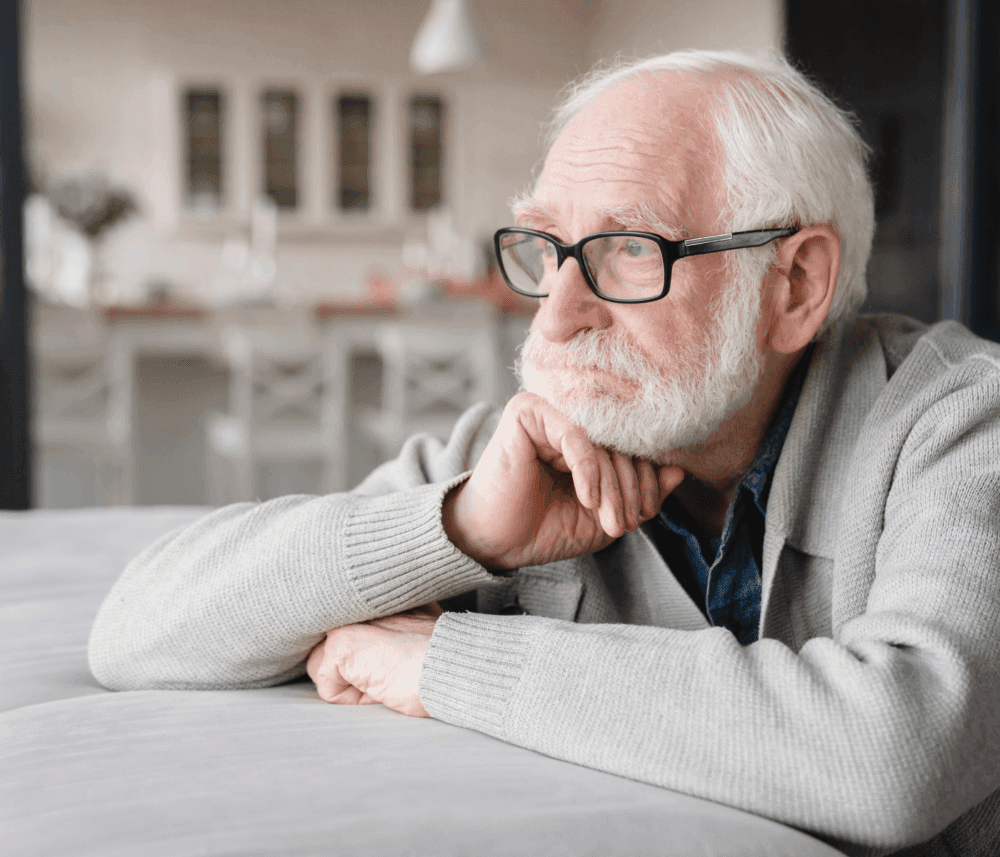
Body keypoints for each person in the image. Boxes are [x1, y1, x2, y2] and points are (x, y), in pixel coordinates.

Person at [89, 50, 1000, 856]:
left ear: (795, 283)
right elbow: (134, 632)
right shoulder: (538, 448)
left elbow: (893, 756)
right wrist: (461, 528)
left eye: (629, 249)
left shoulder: (963, 424)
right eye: (548, 248)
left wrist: (443, 661)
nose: (558, 315)